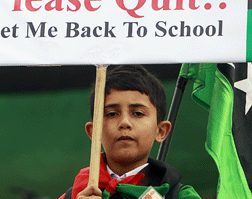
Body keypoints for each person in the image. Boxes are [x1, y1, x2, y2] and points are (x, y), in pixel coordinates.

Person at [59, 65, 201, 199]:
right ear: (93, 132)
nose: (124, 123)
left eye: (138, 113)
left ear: (161, 131)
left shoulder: (179, 195)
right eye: (112, 114)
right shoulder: (74, 195)